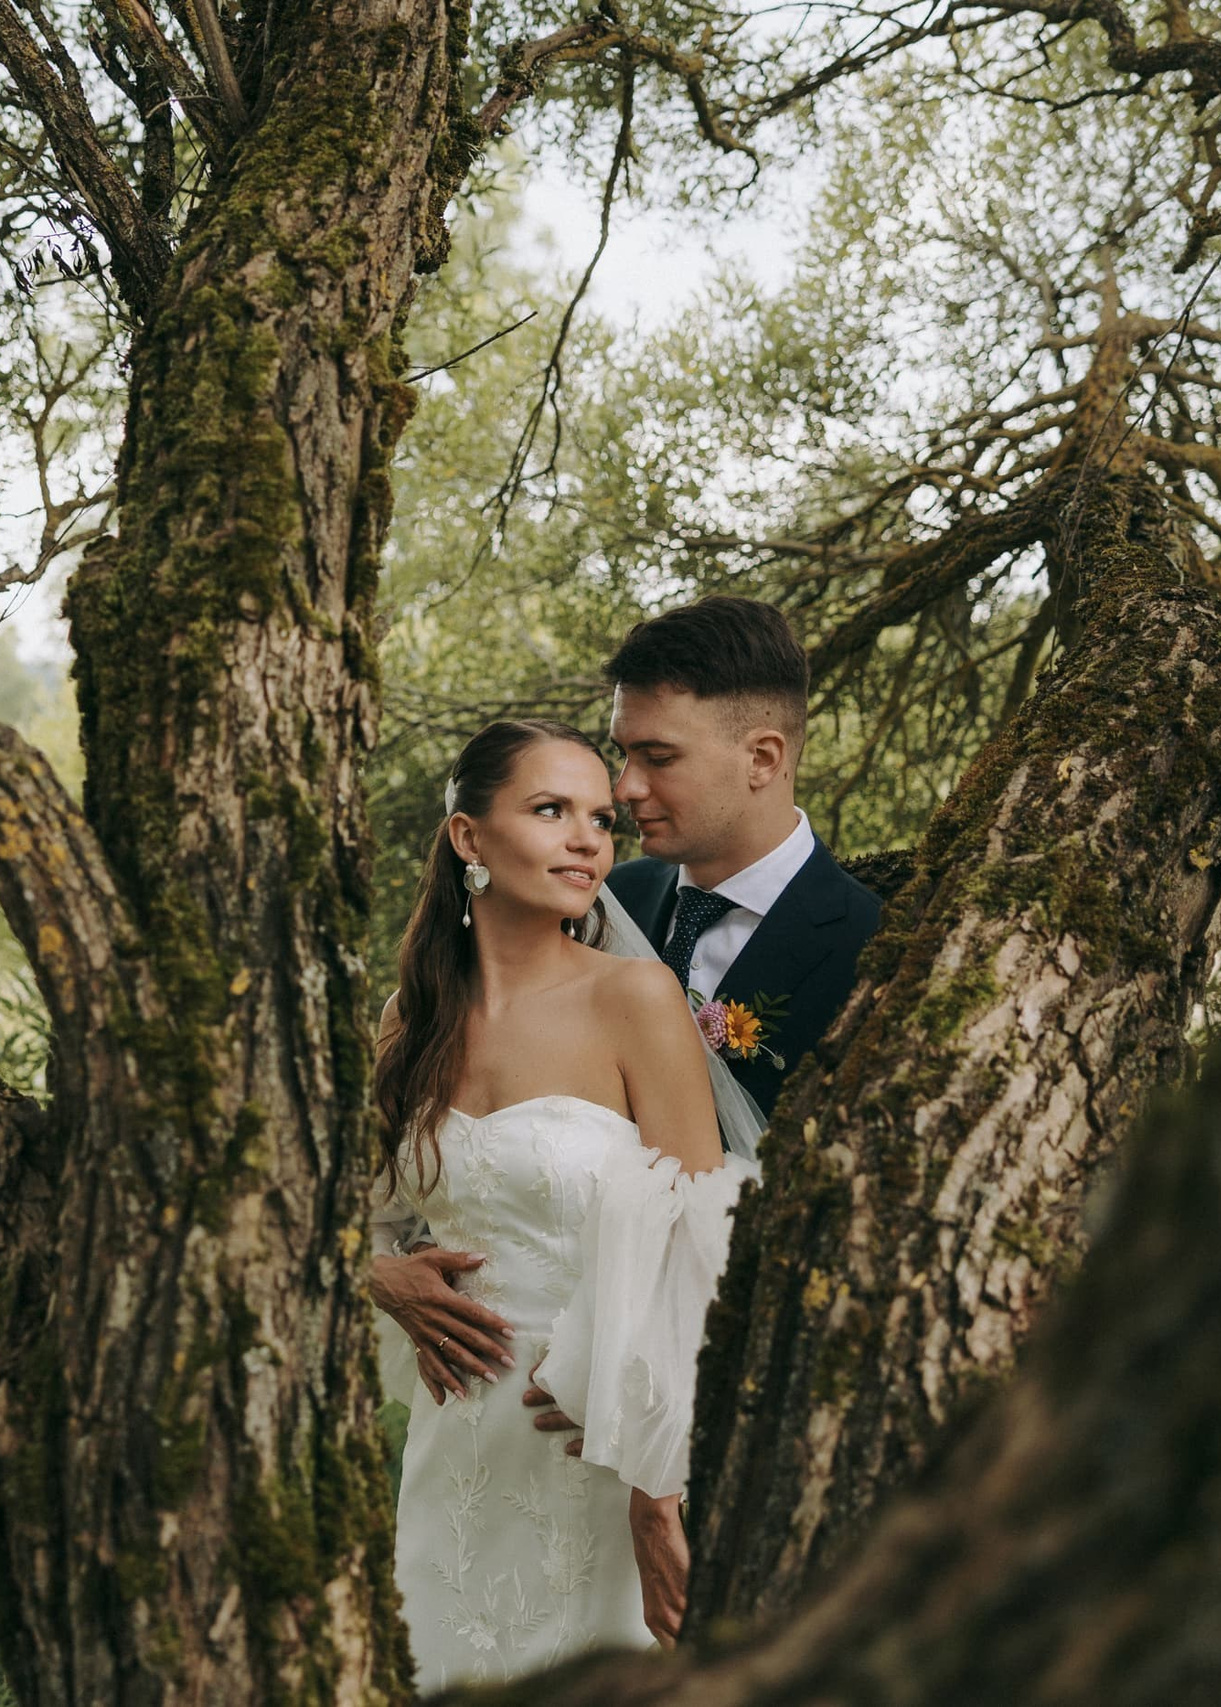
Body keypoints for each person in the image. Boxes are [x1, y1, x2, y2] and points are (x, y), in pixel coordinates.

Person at [368, 719, 757, 1690]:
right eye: (550, 811)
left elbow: (699, 1246)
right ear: (469, 838)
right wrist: (381, 1275)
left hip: (604, 1440)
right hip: (458, 1438)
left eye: (598, 818)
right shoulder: (408, 1021)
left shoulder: (635, 999)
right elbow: (347, 1213)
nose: (588, 838)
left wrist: (655, 1484)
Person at [601, 595, 882, 1115]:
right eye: (623, 755)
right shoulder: (608, 900)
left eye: (658, 758)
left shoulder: (874, 949)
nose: (625, 789)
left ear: (762, 758)